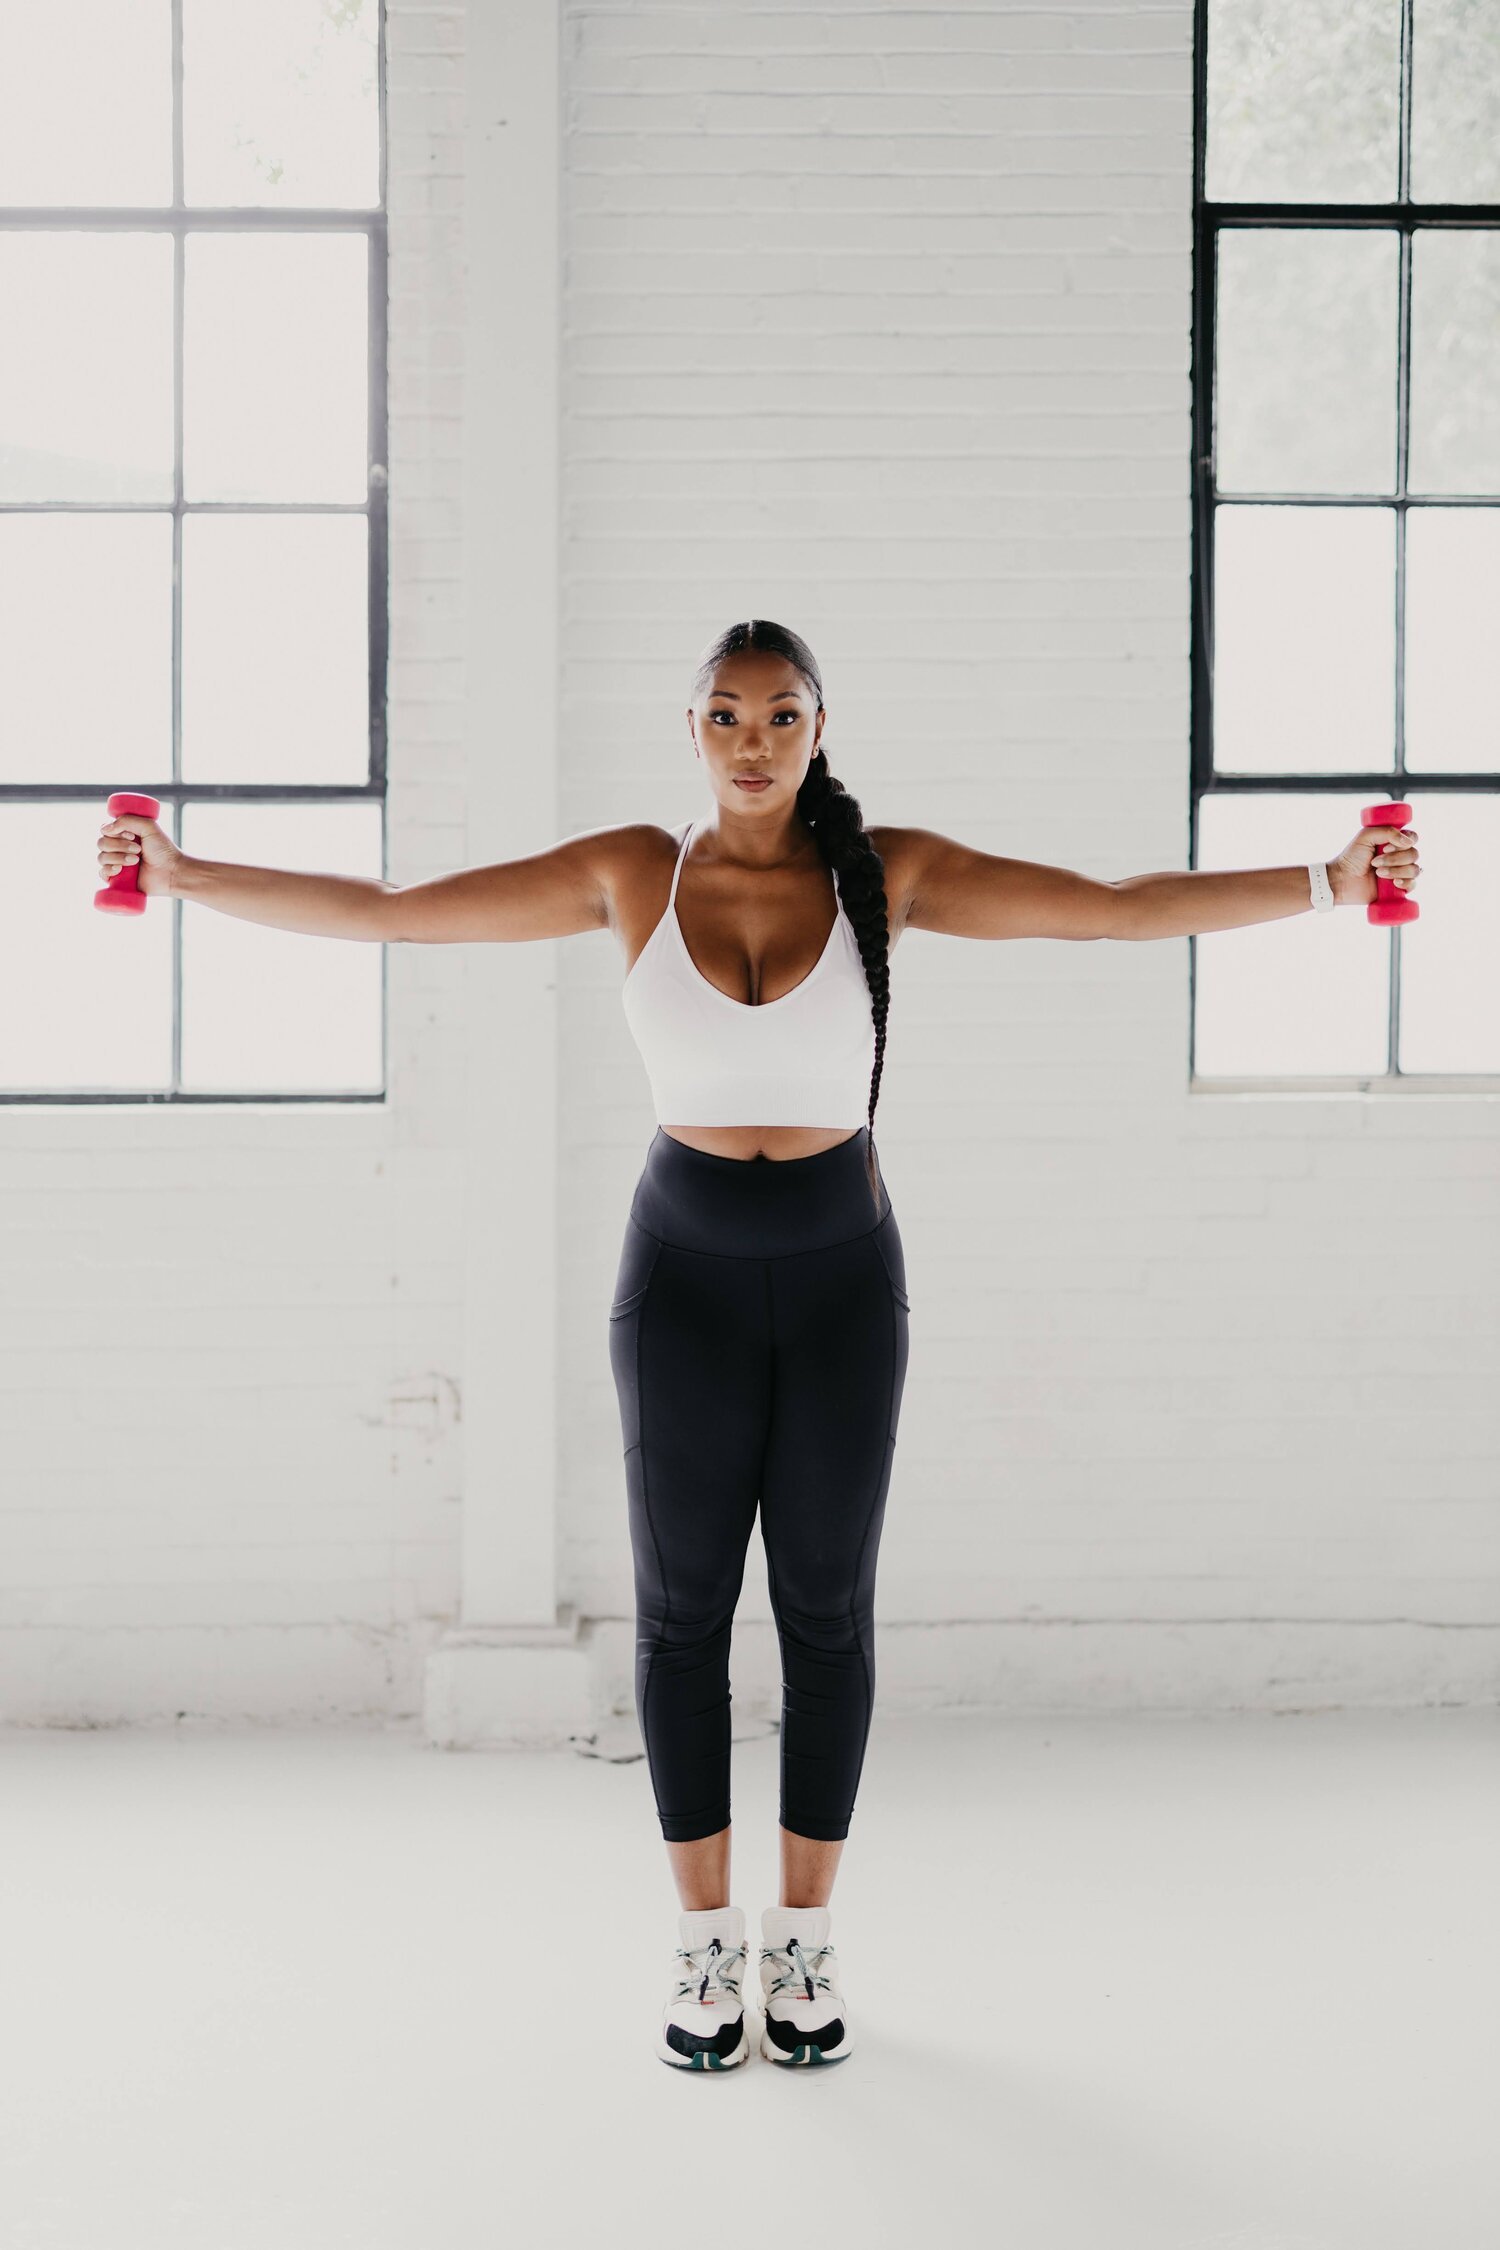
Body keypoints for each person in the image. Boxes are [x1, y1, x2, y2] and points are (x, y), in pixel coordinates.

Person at [97, 617, 1422, 2074]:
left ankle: (803, 1941)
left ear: (818, 729)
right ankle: (701, 1945)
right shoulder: (625, 873)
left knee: (827, 1616)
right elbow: (399, 906)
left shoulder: (886, 874)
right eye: (725, 715)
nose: (752, 741)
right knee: (681, 1619)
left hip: (847, 1277)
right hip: (683, 1282)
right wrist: (189, 876)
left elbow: (1107, 904)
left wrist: (1324, 881)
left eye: (780, 715)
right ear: (691, 729)